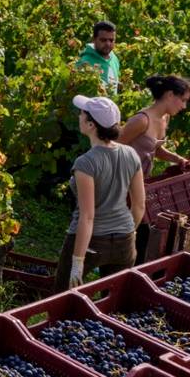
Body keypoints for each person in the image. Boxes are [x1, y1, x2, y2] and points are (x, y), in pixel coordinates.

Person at [56, 94, 146, 290]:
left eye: (82, 114)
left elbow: (87, 217)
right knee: (112, 305)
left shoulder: (85, 163)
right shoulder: (130, 154)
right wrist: (129, 233)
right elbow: (139, 205)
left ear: (91, 125)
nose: (79, 116)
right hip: (124, 241)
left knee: (62, 300)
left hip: (92, 242)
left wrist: (78, 261)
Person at [119, 75, 190, 178]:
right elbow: (112, 146)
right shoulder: (142, 120)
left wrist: (179, 159)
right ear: (170, 95)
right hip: (122, 181)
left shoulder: (165, 118)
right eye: (183, 100)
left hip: (139, 181)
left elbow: (154, 149)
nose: (184, 106)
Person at [76, 21, 120, 93]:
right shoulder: (84, 63)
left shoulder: (114, 59)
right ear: (94, 39)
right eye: (103, 40)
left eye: (111, 40)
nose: (108, 44)